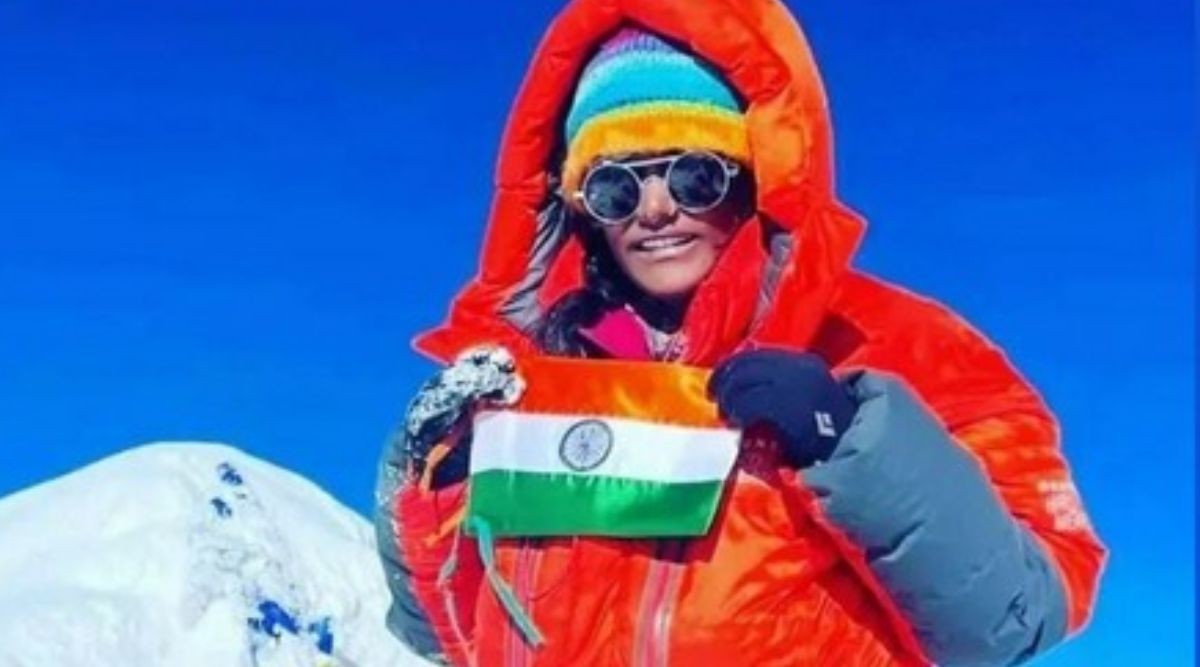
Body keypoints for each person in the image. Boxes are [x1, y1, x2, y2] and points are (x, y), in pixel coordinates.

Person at [375, 2, 1106, 665]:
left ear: (754, 176)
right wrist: (420, 489)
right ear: (581, 208)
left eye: (694, 176)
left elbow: (1018, 615)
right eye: (615, 186)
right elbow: (445, 637)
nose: (654, 210)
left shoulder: (903, 345)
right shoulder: (525, 373)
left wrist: (852, 442)